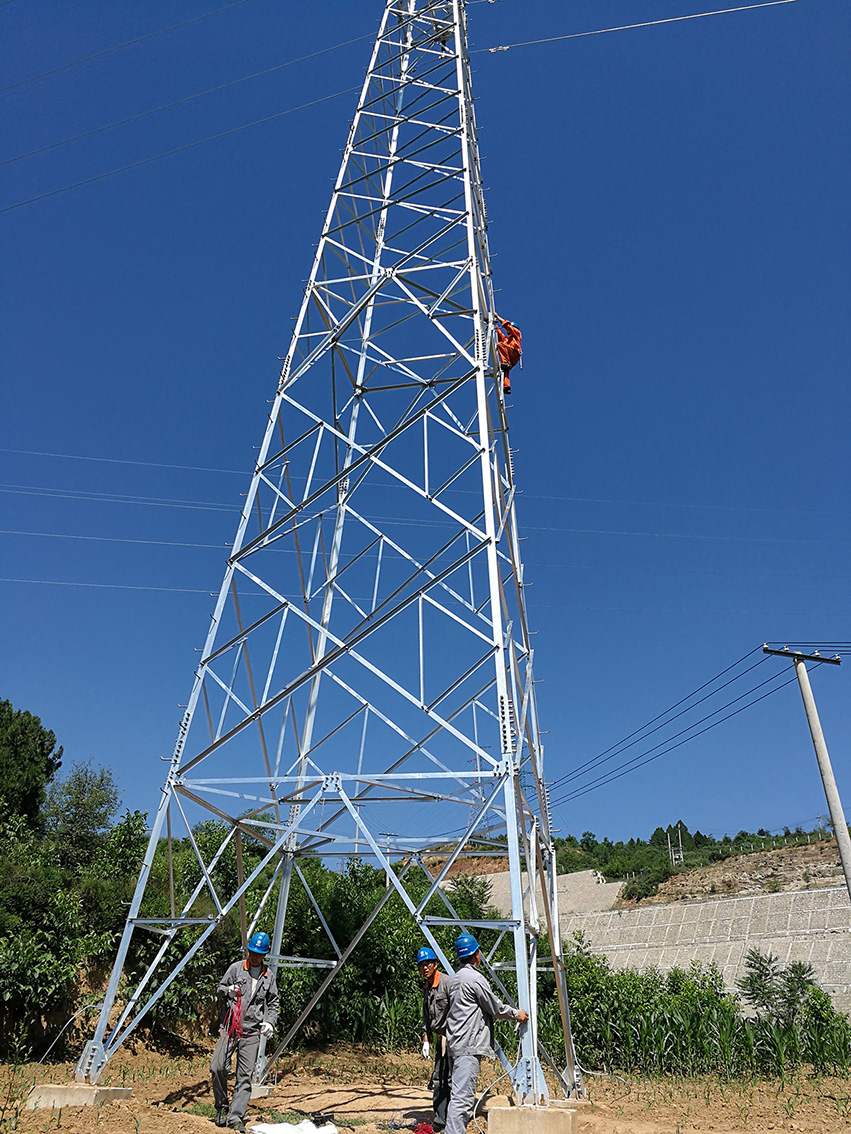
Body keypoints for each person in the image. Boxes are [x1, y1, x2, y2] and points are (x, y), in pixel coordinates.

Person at [444, 934, 529, 1134]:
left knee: (458, 1094)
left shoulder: (458, 977)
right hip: (468, 1045)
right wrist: (516, 1014)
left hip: (457, 1043)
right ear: (476, 954)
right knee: (463, 1098)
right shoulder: (475, 978)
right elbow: (495, 1007)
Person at [210, 931, 280, 1131]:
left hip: (251, 1033)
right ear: (248, 951)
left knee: (244, 1077)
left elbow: (273, 1002)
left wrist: (269, 1022)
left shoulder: (269, 977)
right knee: (217, 1067)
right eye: (252, 952)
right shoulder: (236, 969)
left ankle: (235, 1117)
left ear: (264, 955)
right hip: (230, 1027)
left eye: (259, 954)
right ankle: (221, 1106)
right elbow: (219, 988)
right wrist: (227, 990)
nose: (255, 956)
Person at [417, 945, 452, 1131]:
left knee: (452, 1079)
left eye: (427, 963)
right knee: (439, 1078)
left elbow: (458, 1011)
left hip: (453, 1039)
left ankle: (453, 1118)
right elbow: (426, 1016)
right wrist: (426, 1039)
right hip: (440, 1040)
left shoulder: (447, 984)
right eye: (421, 964)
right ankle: (440, 1118)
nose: (424, 967)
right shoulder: (427, 988)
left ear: (435, 964)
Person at [494, 316, 522, 396]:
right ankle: (506, 387)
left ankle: (506, 363)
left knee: (500, 345)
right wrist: (495, 326)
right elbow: (500, 336)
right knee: (505, 371)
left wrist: (497, 317)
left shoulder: (517, 334)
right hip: (511, 356)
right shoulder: (507, 340)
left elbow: (508, 326)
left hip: (514, 353)